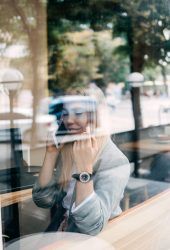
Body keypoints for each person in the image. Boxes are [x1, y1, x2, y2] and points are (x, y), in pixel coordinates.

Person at [32, 87, 130, 236]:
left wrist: (85, 169)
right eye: (65, 114)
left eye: (78, 113)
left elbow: (91, 227)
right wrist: (51, 154)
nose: (69, 120)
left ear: (96, 117)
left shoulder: (115, 161)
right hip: (62, 230)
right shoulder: (68, 150)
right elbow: (43, 200)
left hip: (93, 239)